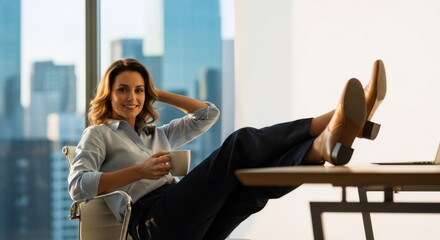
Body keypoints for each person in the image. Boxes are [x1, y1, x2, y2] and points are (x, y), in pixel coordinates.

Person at [68, 58, 386, 240]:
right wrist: (140, 171)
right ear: (107, 95)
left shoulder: (156, 134)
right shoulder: (98, 134)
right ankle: (333, 120)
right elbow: (78, 186)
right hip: (151, 223)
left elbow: (207, 114)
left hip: (185, 223)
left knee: (251, 186)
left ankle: (322, 146)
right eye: (123, 90)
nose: (132, 98)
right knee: (238, 144)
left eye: (138, 91)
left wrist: (157, 93)